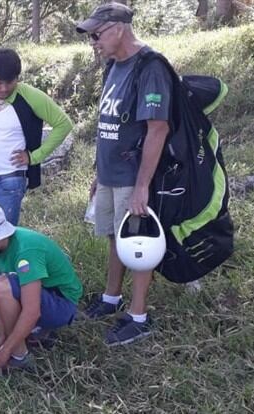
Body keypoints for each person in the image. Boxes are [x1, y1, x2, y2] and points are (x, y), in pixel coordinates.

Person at [76, 3, 172, 345]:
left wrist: (142, 186)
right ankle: (111, 297)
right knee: (114, 236)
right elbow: (109, 124)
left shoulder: (150, 66)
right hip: (110, 172)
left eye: (97, 35)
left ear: (119, 29)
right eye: (90, 37)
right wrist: (99, 173)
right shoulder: (113, 66)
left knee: (137, 242)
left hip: (133, 174)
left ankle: (138, 316)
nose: (94, 43)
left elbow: (158, 128)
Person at [0, 48, 73, 294]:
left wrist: (34, 156)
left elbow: (63, 124)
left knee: (0, 243)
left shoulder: (30, 97)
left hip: (10, 180)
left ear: (17, 78)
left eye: (10, 82)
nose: (3, 88)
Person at [0, 203, 82, 375]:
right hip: (22, 292)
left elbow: (32, 311)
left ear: (0, 234)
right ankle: (31, 331)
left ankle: (19, 357)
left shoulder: (27, 249)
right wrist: (2, 335)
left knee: (3, 285)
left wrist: (6, 350)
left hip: (60, 303)